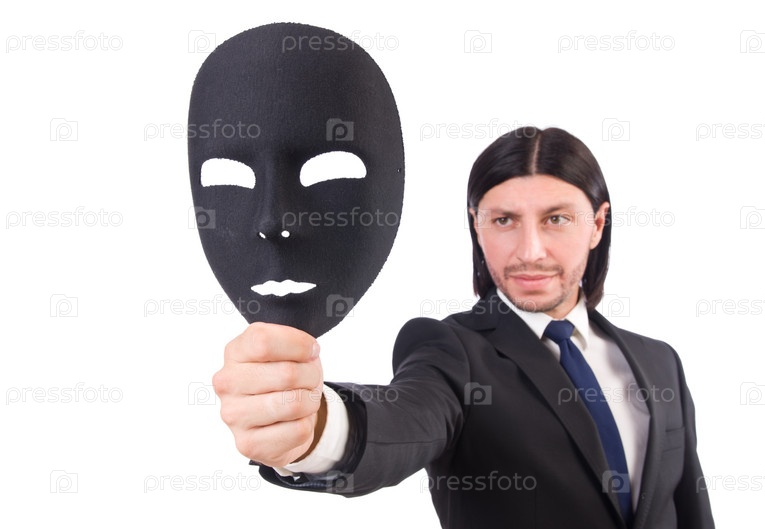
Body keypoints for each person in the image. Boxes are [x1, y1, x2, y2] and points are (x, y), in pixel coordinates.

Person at [212, 126, 715, 528]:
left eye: (557, 219)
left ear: (597, 225)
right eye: (504, 220)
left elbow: (691, 509)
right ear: (477, 224)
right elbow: (404, 420)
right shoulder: (451, 350)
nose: (530, 251)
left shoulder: (660, 362)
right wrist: (316, 426)